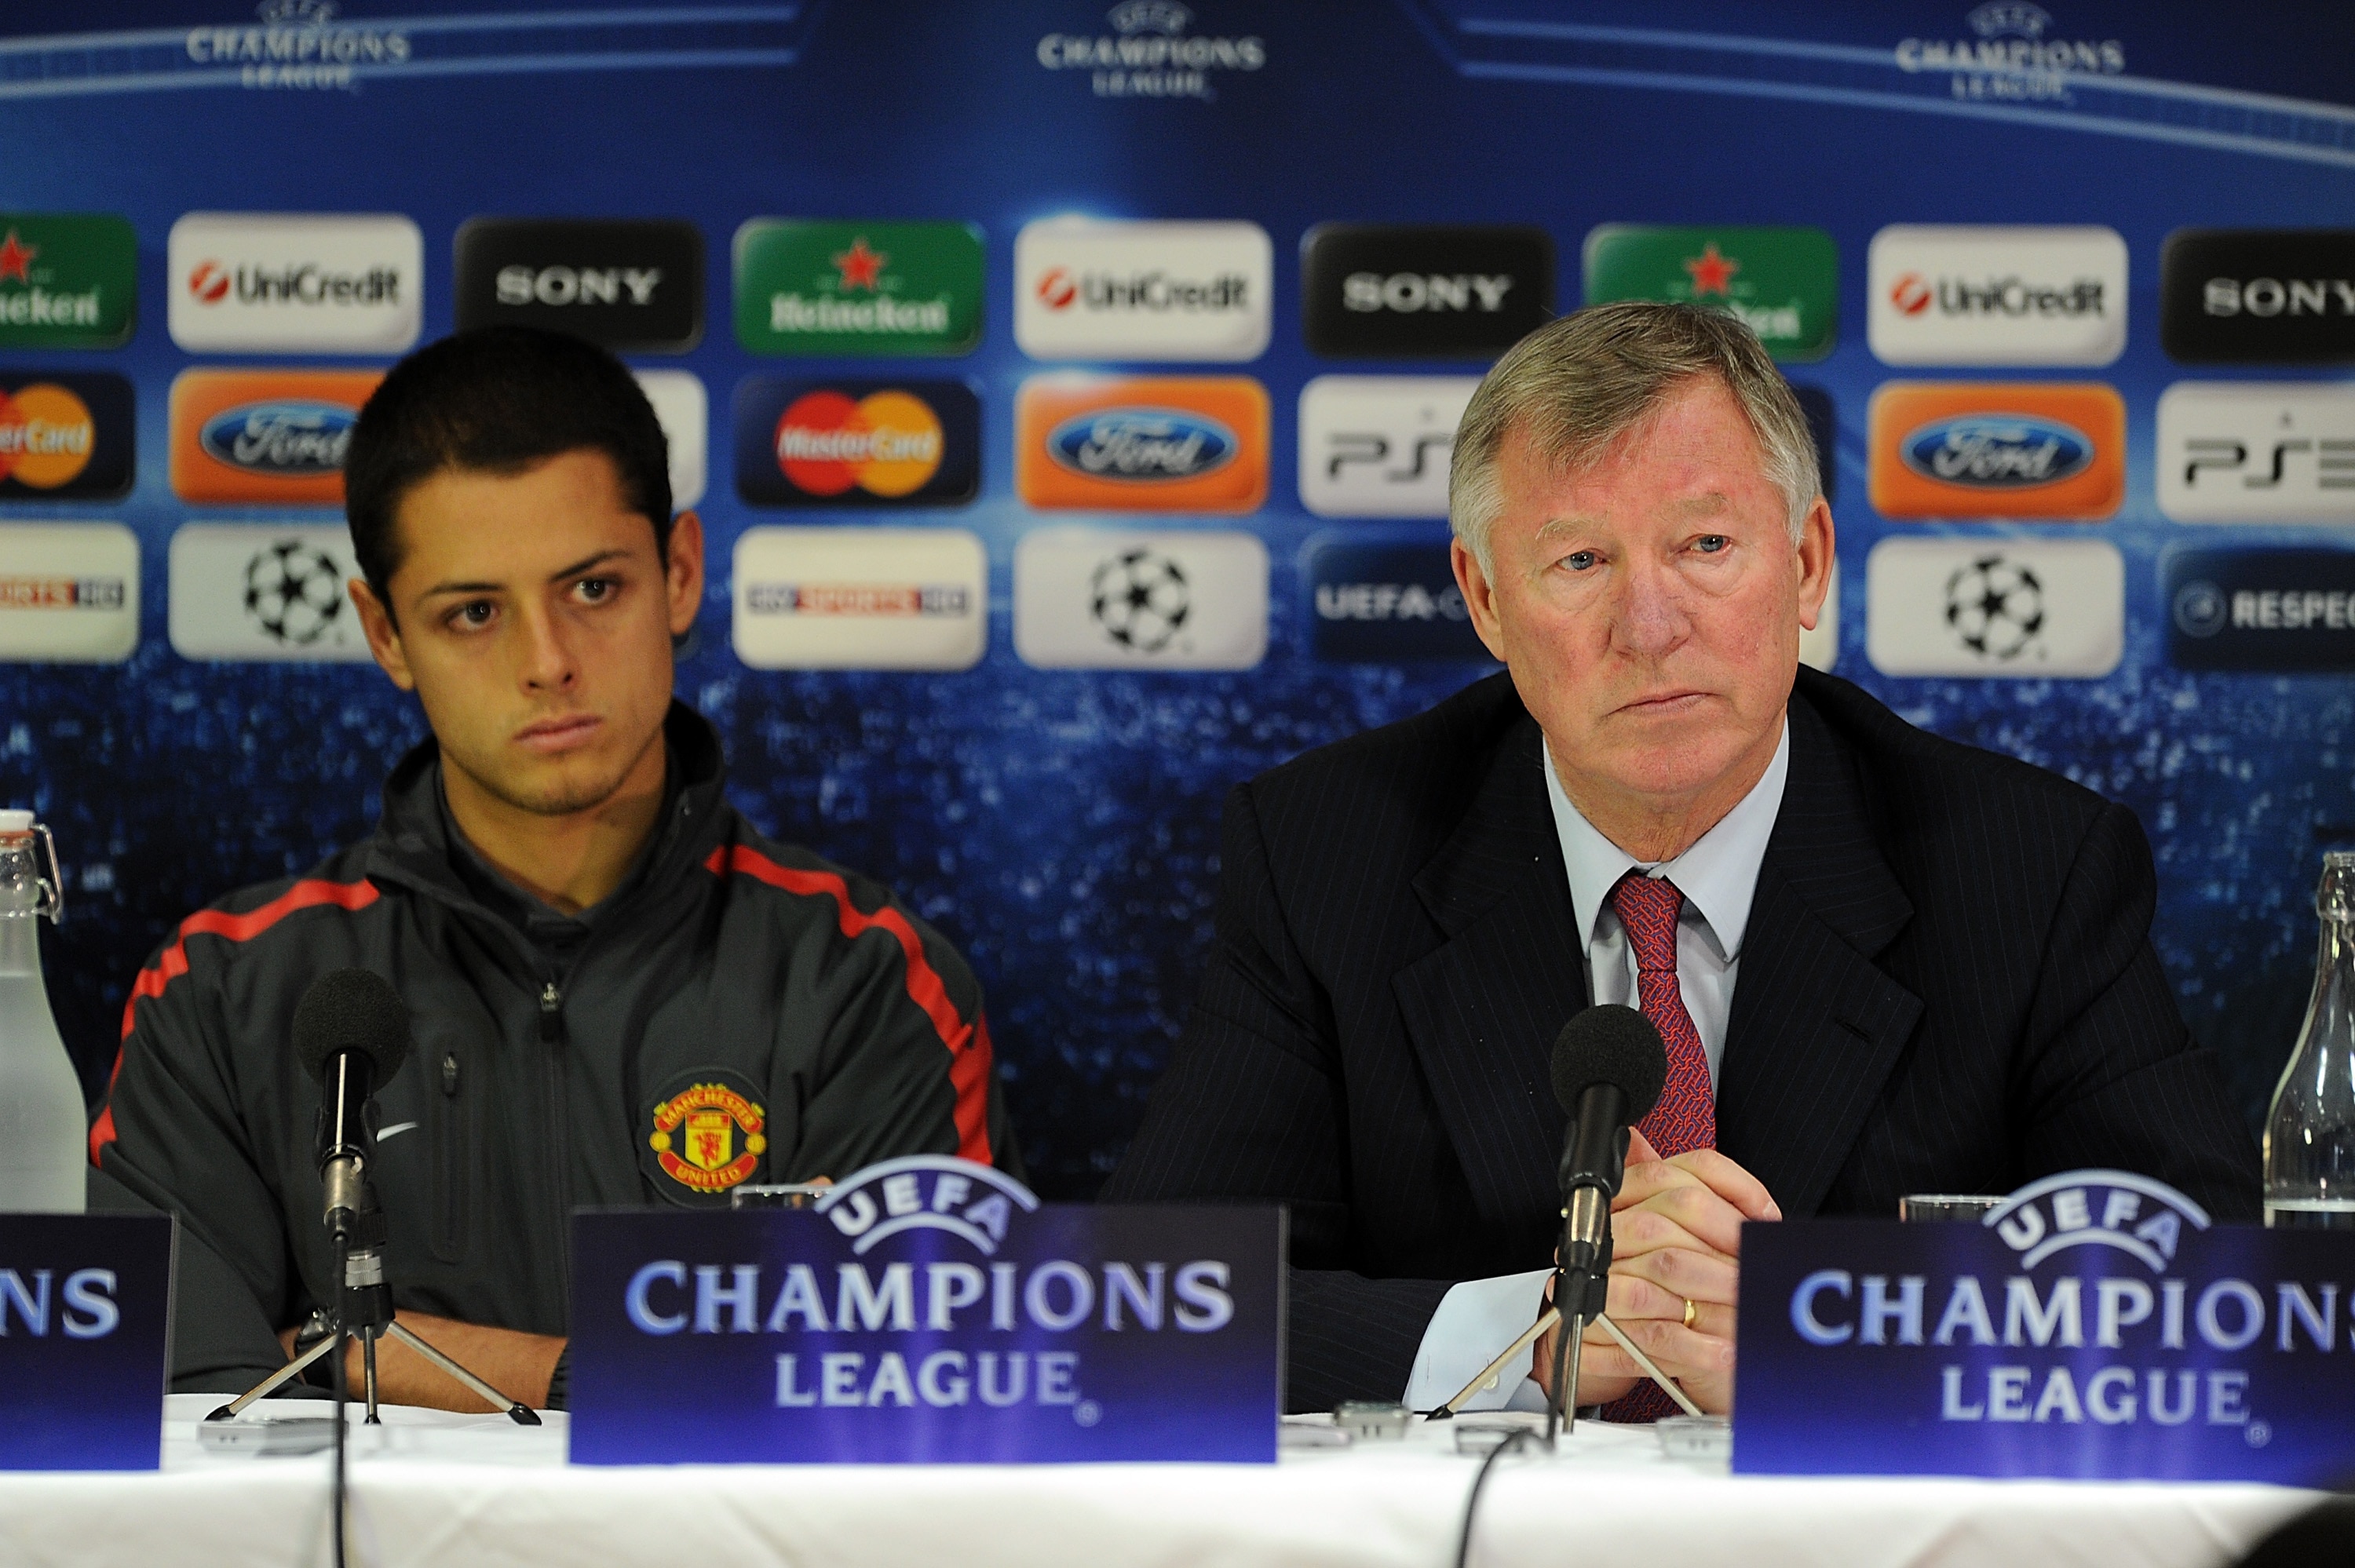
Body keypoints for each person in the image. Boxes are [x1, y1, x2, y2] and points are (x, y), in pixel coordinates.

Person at [1101, 301, 2261, 1418]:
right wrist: (1538, 1331)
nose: (1650, 625)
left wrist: (1823, 1335)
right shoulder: (1327, 854)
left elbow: (2213, 1297)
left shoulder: (2026, 869)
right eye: (1579, 562)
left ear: (1806, 564)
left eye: (1706, 544)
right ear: (1486, 598)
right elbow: (1156, 1303)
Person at [92, 326, 1019, 1410]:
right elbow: (179, 1424)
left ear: (677, 573)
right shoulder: (222, 992)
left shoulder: (867, 982)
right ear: (386, 634)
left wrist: (423, 1360)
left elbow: (908, 1401)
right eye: (473, 612)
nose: (546, 662)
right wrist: (678, 1373)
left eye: (591, 588)